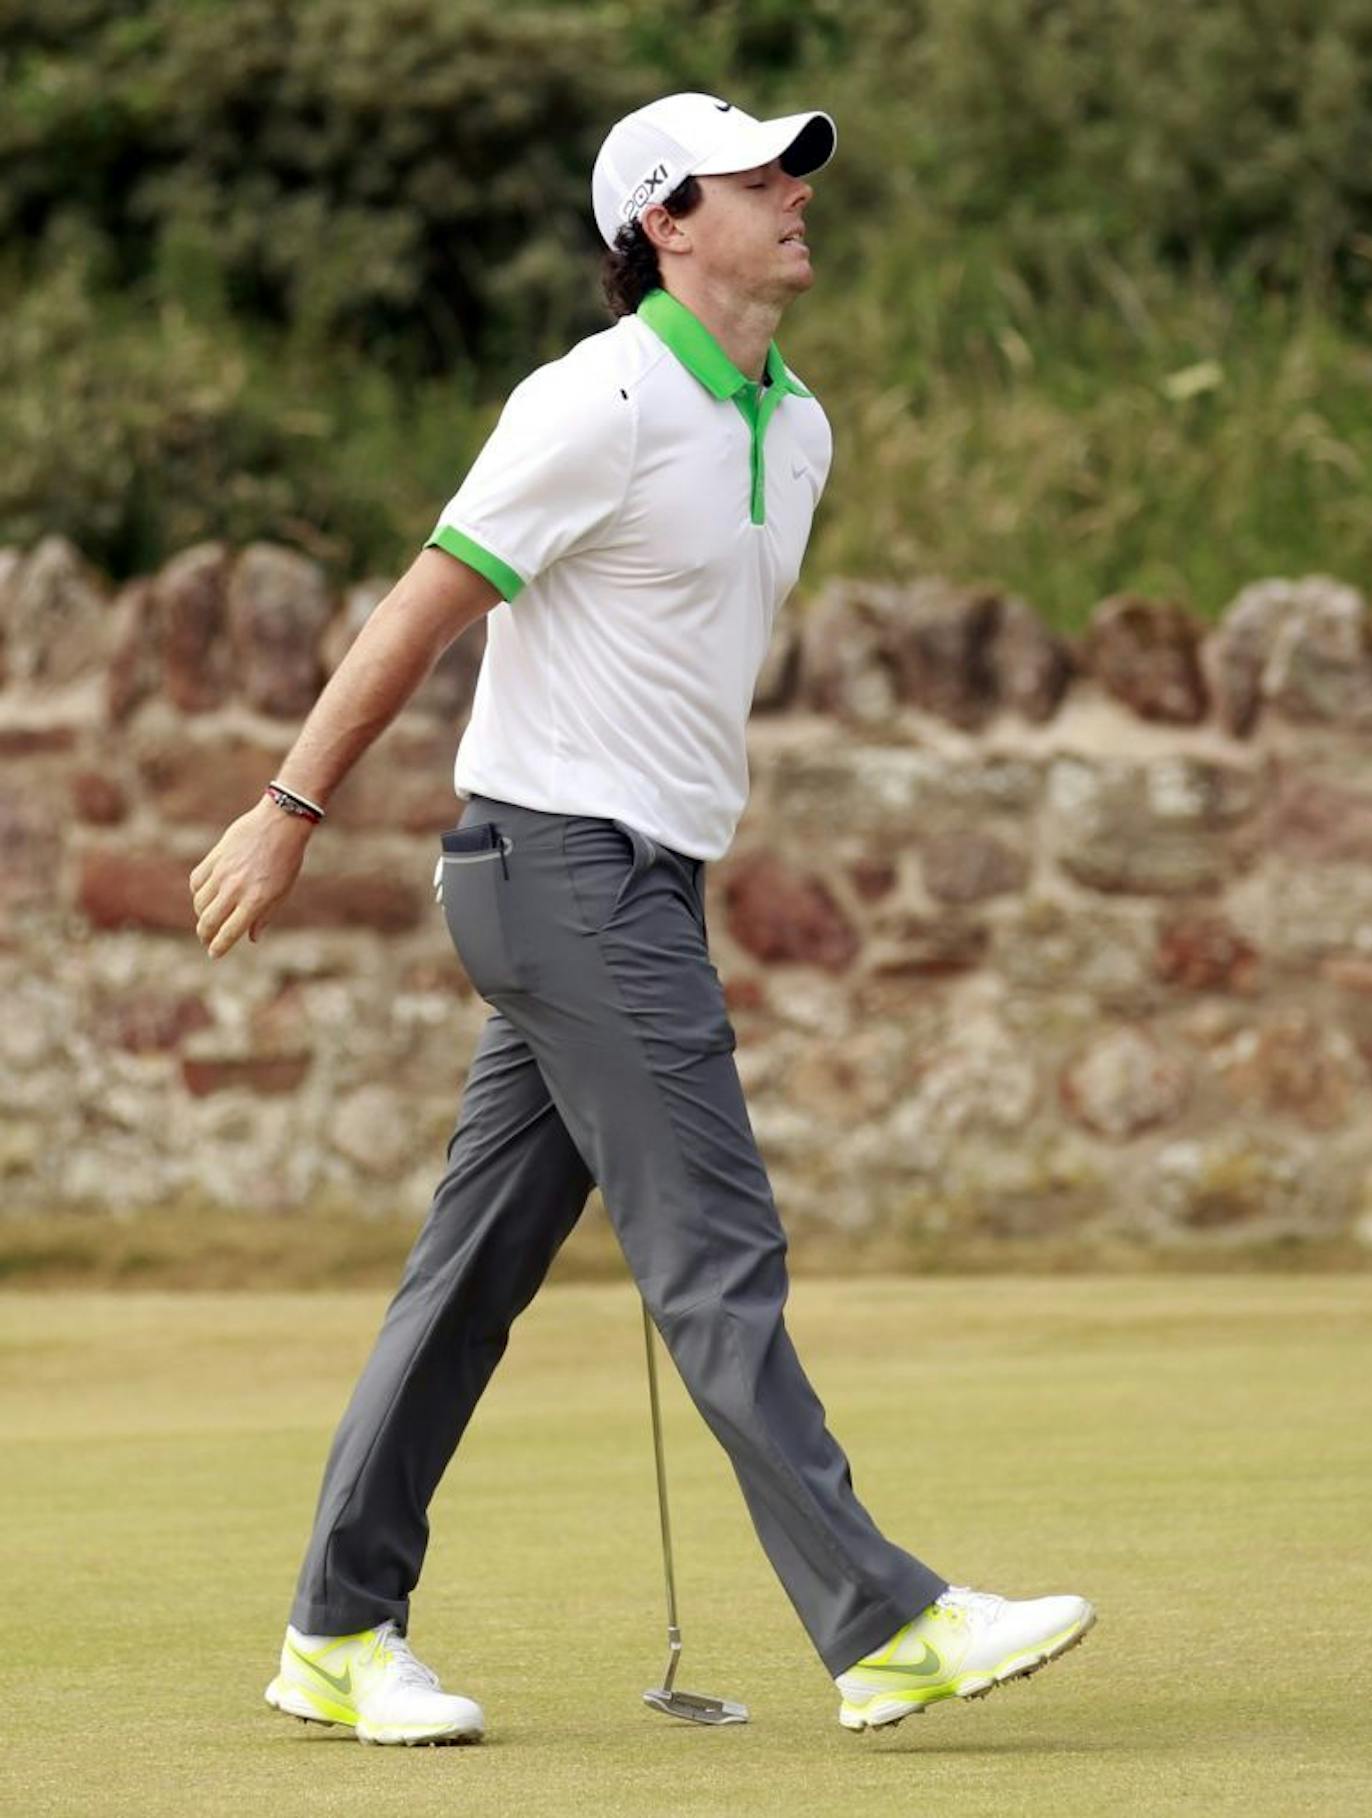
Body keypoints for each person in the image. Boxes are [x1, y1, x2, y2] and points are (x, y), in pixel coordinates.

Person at [189, 91, 1095, 1747]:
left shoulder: (800, 423)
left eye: (798, 172)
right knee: (717, 1248)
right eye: (761, 178)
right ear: (666, 221)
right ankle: (882, 1623)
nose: (796, 195)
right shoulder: (592, 399)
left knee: (466, 1280)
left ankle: (334, 1627)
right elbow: (424, 600)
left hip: (626, 880)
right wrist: (290, 806)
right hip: (559, 868)